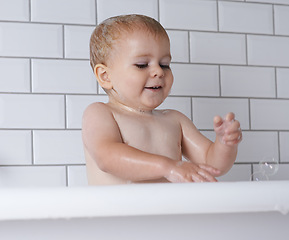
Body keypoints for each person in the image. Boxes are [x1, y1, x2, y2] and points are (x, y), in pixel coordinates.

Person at [82, 14, 242, 185]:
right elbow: (107, 157)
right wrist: (168, 167)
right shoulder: (100, 113)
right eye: (142, 65)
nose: (159, 71)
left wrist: (225, 145)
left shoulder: (175, 120)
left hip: (169, 211)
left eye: (165, 64)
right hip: (119, 211)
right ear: (105, 76)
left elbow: (212, 165)